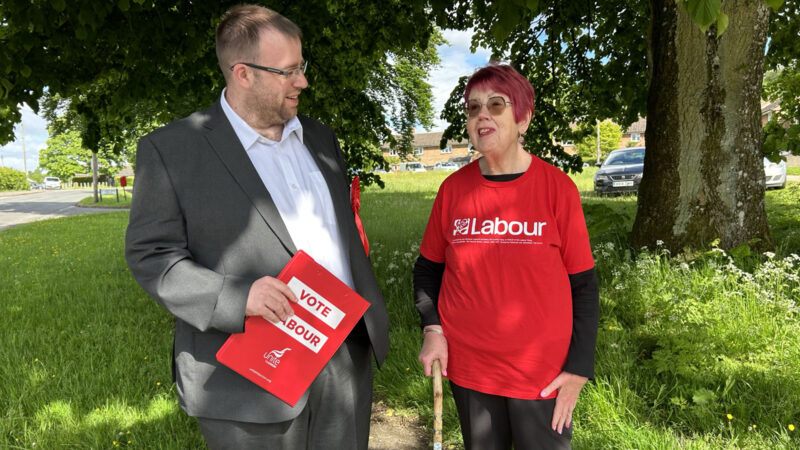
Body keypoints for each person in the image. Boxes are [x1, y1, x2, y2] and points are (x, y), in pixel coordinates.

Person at [124, 5, 389, 449]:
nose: (302, 82)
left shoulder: (322, 140)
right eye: (288, 72)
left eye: (301, 67)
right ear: (243, 73)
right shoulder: (171, 150)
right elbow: (152, 256)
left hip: (343, 355)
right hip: (247, 378)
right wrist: (238, 297)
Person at [413, 64, 599, 449]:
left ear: (523, 118)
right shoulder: (453, 190)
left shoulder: (557, 189)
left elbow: (583, 284)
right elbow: (428, 271)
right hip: (470, 371)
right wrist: (433, 330)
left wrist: (579, 368)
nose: (482, 114)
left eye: (496, 105)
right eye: (473, 107)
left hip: (541, 374)